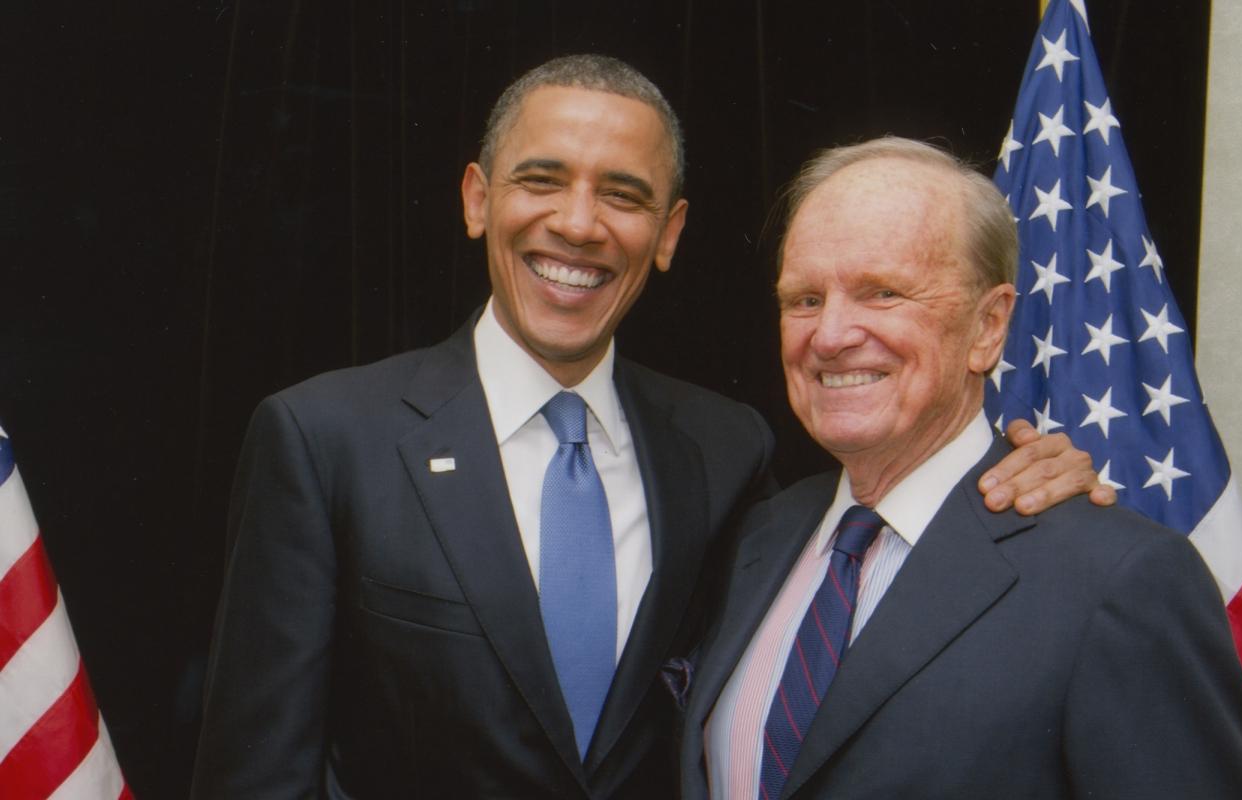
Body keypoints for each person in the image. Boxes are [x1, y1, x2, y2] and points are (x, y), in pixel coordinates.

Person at [190, 57, 1104, 798]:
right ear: (477, 200)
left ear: (668, 234)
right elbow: (257, 774)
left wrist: (1028, 474)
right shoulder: (324, 439)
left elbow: (874, 569)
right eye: (541, 181)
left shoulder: (726, 448)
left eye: (623, 196)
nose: (578, 224)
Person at [681, 138, 1242, 799]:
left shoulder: (1119, 582)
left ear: (989, 327)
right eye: (805, 299)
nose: (831, 334)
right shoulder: (758, 538)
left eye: (882, 293)